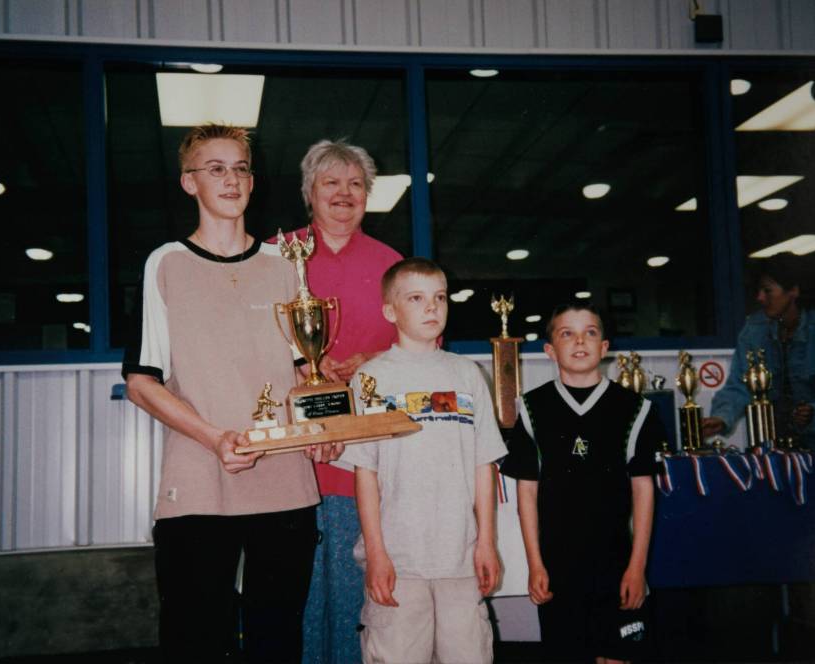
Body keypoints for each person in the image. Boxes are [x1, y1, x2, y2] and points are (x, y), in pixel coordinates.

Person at [123, 124, 335, 662]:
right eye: (214, 168)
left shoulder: (285, 266)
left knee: (276, 637)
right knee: (196, 638)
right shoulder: (165, 263)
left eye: (240, 167)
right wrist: (215, 437)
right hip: (198, 478)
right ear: (189, 182)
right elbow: (141, 382)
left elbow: (305, 371)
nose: (231, 179)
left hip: (285, 480)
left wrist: (324, 427)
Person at [268, 139, 402, 664]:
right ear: (310, 193)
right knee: (290, 595)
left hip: (359, 465)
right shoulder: (275, 256)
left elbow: (420, 345)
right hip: (289, 458)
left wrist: (370, 361)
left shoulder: (393, 266)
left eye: (355, 184)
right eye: (331, 183)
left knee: (353, 590)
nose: (344, 194)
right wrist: (305, 368)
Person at [337, 258, 507, 663]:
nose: (432, 308)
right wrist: (377, 553)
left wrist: (486, 542)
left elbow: (484, 465)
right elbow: (366, 473)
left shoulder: (468, 375)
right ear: (390, 311)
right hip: (399, 561)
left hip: (460, 559)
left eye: (439, 297)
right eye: (416, 298)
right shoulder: (371, 380)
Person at [500, 304, 666, 664]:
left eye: (590, 332)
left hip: (616, 562)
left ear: (604, 347)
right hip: (558, 565)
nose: (579, 341)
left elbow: (643, 491)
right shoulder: (531, 409)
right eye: (566, 333)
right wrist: (535, 564)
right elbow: (526, 493)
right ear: (549, 350)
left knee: (617, 656)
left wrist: (637, 568)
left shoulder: (635, 410)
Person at [703, 254, 815, 450]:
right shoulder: (753, 332)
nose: (760, 298)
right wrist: (722, 418)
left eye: (767, 291)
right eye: (759, 291)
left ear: (793, 291)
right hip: (766, 449)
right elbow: (739, 385)